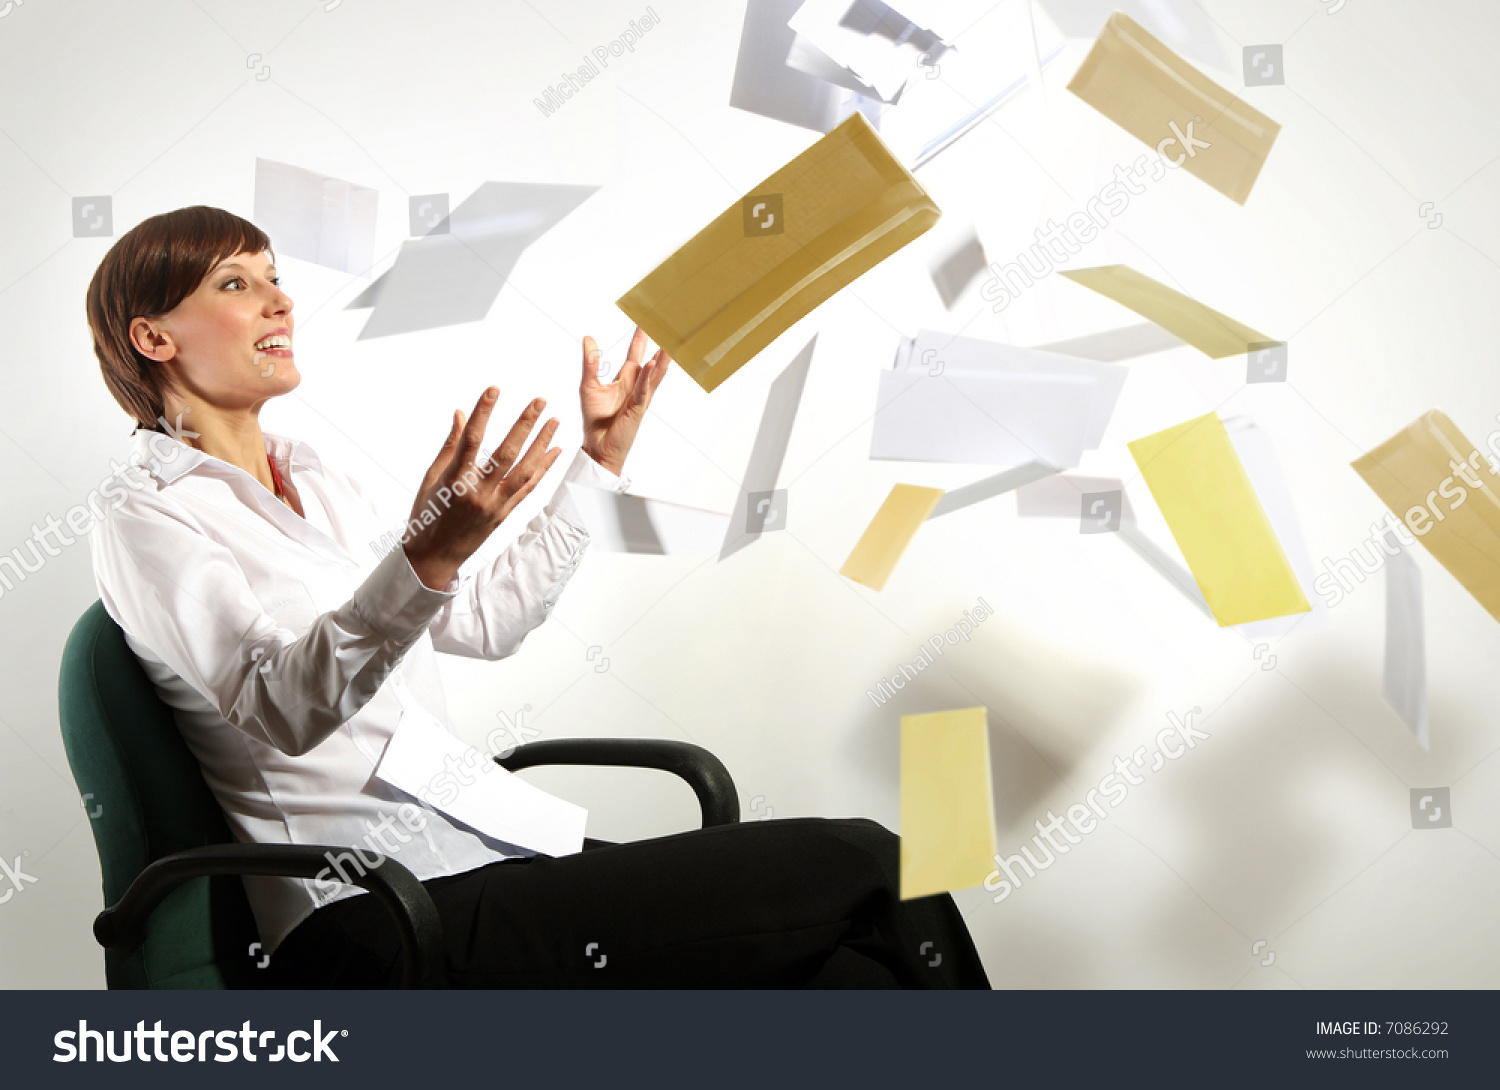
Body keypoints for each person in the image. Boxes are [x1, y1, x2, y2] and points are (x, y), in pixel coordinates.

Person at [85, 204, 990, 988]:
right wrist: (422, 565)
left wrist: (595, 465)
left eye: (275, 277)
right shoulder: (143, 516)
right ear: (154, 337)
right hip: (372, 913)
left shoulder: (317, 477)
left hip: (486, 853)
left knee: (844, 973)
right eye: (236, 284)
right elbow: (279, 709)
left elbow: (480, 623)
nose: (280, 299)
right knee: (868, 861)